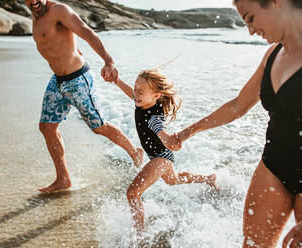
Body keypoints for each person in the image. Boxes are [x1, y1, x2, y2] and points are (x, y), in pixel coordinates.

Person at [174, 0, 302, 247]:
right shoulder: (273, 54)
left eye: (251, 18)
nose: (250, 30)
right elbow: (237, 106)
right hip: (273, 166)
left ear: (277, 2)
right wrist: (187, 133)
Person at [23, 0, 144, 193]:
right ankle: (63, 179)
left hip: (78, 80)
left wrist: (108, 61)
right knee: (47, 127)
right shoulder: (35, 14)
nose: (33, 2)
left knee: (99, 127)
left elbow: (86, 32)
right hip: (58, 81)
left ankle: (135, 152)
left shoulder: (59, 10)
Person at [113, 69, 218, 235]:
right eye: (135, 89)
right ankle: (207, 179)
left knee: (132, 193)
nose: (135, 94)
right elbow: (131, 94)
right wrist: (117, 81)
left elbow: (160, 130)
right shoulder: (142, 100)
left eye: (140, 92)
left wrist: (168, 139)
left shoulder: (154, 117)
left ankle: (139, 236)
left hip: (162, 158)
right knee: (173, 180)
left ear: (156, 96)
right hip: (161, 157)